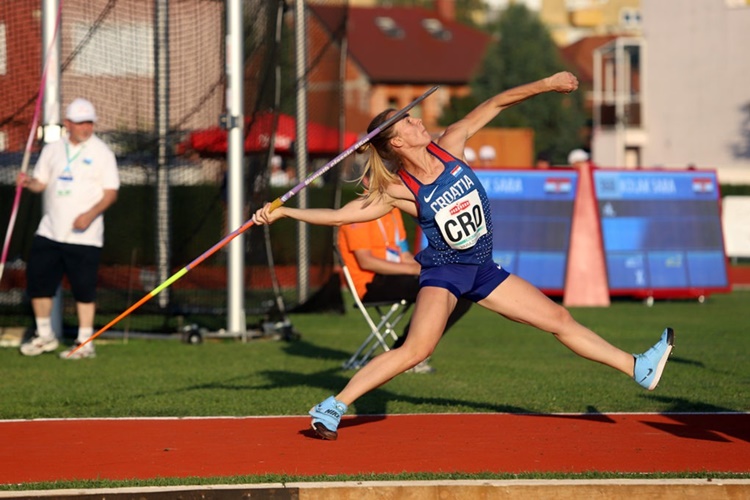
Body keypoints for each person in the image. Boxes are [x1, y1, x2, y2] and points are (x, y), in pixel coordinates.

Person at [252, 72, 675, 441]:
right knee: (417, 349)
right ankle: (334, 406)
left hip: (484, 269)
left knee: (559, 320)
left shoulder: (451, 144)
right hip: (445, 273)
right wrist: (285, 210)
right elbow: (340, 216)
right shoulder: (398, 189)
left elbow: (496, 102)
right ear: (397, 141)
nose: (419, 121)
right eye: (409, 121)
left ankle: (636, 366)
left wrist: (547, 85)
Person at [17, 97, 120, 360]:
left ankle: (85, 342)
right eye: (80, 123)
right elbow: (41, 183)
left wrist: (89, 214)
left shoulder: (102, 153)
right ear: (68, 124)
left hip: (85, 237)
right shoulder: (52, 149)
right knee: (38, 284)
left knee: (83, 289)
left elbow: (111, 193)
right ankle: (44, 335)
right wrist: (27, 182)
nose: (86, 128)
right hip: (50, 231)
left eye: (89, 123)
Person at [338, 207, 473, 373]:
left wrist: (430, 267)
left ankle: (406, 350)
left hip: (395, 276)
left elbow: (404, 255)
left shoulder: (392, 211)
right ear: (366, 180)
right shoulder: (358, 211)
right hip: (371, 284)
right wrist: (415, 270)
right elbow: (367, 262)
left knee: (461, 289)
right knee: (449, 287)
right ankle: (410, 353)